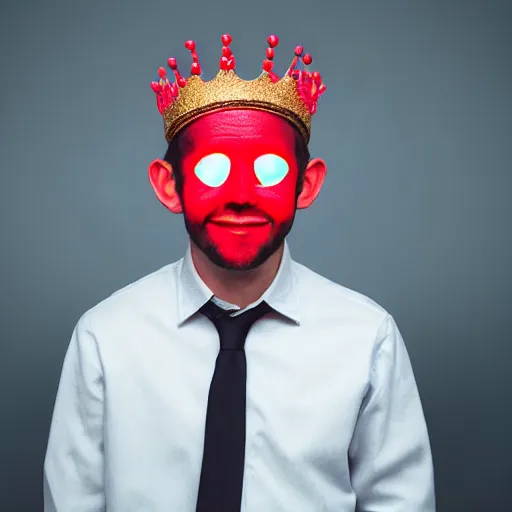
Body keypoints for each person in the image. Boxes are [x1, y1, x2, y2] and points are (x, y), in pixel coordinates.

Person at [43, 34, 435, 511]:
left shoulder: (367, 338)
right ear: (170, 187)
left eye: (268, 171)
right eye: (213, 171)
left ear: (305, 184)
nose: (242, 194)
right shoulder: (105, 337)